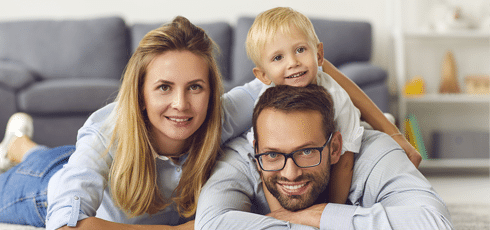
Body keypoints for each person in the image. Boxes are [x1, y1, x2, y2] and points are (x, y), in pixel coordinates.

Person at [0, 16, 264, 229]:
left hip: (83, 165)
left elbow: (280, 75)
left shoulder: (222, 115)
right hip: (45, 187)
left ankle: (20, 143)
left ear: (211, 91)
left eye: (195, 87)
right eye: (164, 87)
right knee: (42, 170)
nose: (181, 104)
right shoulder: (107, 130)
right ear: (141, 93)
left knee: (53, 157)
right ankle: (17, 146)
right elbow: (66, 225)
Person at [195, 84, 453, 229]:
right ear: (256, 147)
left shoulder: (375, 152)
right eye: (273, 154)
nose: (290, 173)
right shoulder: (241, 155)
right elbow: (212, 225)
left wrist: (315, 215)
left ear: (335, 147)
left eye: (307, 151)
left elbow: (434, 223)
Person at [244, 6, 421, 205]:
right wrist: (277, 213)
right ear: (263, 75)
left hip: (351, 126)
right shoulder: (264, 105)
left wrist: (333, 209)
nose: (293, 62)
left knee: (366, 134)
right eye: (278, 57)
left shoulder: (337, 97)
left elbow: (345, 161)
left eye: (300, 50)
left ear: (319, 55)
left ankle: (386, 120)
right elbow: (265, 164)